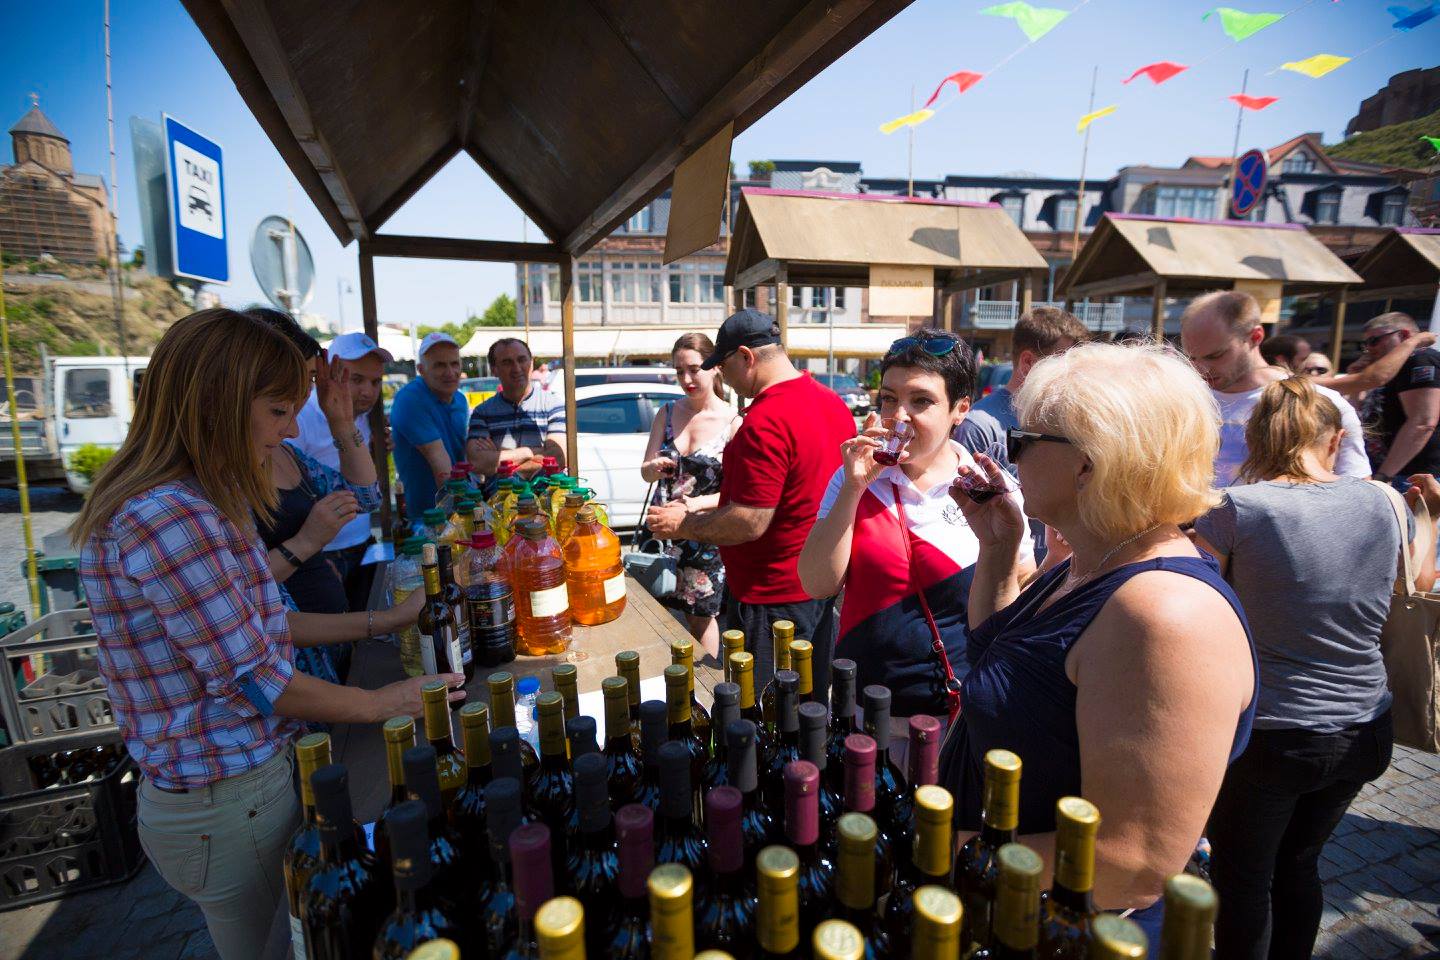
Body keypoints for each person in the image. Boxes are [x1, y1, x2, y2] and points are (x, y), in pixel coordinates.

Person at [72, 309, 464, 960]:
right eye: (279, 410)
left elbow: (262, 621)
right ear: (217, 404)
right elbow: (258, 677)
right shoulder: (170, 516)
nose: (288, 430)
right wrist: (384, 703)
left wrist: (386, 621)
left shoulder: (192, 499)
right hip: (228, 797)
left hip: (236, 790)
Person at [936, 341, 1257, 943]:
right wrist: (999, 547)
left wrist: (940, 849)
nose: (1008, 453)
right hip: (1010, 898)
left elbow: (1131, 862)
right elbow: (1000, 659)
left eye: (1023, 440)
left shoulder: (1164, 614)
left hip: (1067, 931)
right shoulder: (1092, 559)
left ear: (1088, 464)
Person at [1193, 377, 1437, 960]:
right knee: (1300, 864)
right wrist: (1431, 514)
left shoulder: (1236, 509)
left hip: (1270, 735)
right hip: (1365, 727)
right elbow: (1419, 581)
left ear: (1256, 440)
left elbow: (1197, 600)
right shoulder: (1385, 502)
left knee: (1243, 880)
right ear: (1335, 439)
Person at [798, 330, 1034, 765]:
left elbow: (1020, 587)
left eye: (921, 401)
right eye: (889, 399)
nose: (899, 417)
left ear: (960, 409)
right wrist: (853, 488)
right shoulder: (853, 477)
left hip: (957, 718)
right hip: (865, 714)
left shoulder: (987, 486)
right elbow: (816, 583)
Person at [645, 309, 855, 695]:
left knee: (764, 711)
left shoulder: (765, 420)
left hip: (772, 600)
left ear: (746, 357)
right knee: (809, 706)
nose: (723, 377)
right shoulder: (832, 402)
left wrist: (682, 524)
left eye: (724, 366)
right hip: (820, 587)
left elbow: (748, 521)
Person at [1179, 291, 1369, 487]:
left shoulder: (1320, 404)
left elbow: (1357, 492)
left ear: (1255, 337)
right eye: (1191, 357)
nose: (1201, 368)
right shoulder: (1183, 402)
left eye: (1215, 356)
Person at [637, 333, 741, 657]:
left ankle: (708, 685)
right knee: (656, 617)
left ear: (715, 367)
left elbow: (736, 492)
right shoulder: (666, 412)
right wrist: (653, 467)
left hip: (704, 534)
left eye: (694, 369)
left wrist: (694, 504)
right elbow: (645, 473)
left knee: (701, 619)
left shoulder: (733, 422)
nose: (686, 379)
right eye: (679, 371)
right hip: (661, 533)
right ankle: (672, 679)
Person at [957, 306, 1087, 559]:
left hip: (1057, 566)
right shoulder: (979, 426)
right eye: (1063, 364)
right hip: (1009, 568)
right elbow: (969, 522)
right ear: (1027, 363)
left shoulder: (1064, 420)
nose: (1073, 375)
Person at [289, 331, 394, 611]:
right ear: (329, 372)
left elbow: (367, 494)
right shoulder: (299, 417)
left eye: (375, 381)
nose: (368, 391)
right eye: (356, 379)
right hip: (319, 554)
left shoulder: (365, 417)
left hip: (362, 541)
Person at [391, 332, 468, 522]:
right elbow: (438, 461)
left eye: (454, 363)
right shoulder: (410, 398)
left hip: (458, 507)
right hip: (427, 517)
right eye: (440, 365)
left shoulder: (460, 399)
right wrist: (460, 518)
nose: (450, 372)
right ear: (421, 370)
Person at [467, 337, 566, 478]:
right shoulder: (482, 412)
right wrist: (528, 452)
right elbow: (477, 462)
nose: (516, 368)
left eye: (522, 360)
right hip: (499, 493)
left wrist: (498, 457)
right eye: (507, 362)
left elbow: (558, 458)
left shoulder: (553, 405)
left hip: (548, 492)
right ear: (494, 370)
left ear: (531, 364)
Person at [1362, 312, 1440, 486]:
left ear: (1404, 335)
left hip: (1414, 477)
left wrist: (1384, 476)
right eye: (1365, 344)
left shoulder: (1420, 358)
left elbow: (1422, 423)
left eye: (1374, 340)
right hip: (1397, 473)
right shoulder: (1390, 370)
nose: (1369, 348)